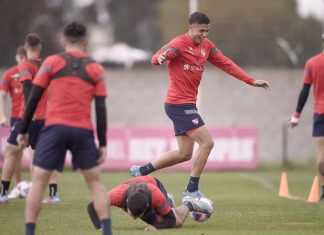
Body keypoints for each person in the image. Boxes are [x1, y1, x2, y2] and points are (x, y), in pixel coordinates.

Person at [130, 11, 271, 202]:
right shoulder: (179, 44)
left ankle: (142, 170)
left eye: (207, 31)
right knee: (208, 142)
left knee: (184, 154)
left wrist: (250, 80)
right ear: (191, 27)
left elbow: (226, 64)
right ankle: (191, 191)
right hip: (178, 104)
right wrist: (160, 58)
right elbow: (157, 56)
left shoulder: (207, 46)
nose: (204, 35)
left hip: (186, 105)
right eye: (201, 31)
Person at [17, 21, 112, 235]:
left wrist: (23, 130)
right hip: (82, 131)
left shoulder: (51, 62)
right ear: (85, 41)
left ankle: (29, 232)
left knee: (38, 181)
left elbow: (33, 97)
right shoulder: (95, 68)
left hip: (54, 129)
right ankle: (107, 231)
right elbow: (101, 108)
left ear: (63, 40)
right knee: (95, 183)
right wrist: (103, 142)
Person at [0, 34, 60, 204]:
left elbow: (27, 86)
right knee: (44, 155)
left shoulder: (25, 65)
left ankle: (3, 193)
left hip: (29, 116)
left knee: (11, 151)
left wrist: (29, 110)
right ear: (40, 47)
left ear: (25, 48)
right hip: (46, 118)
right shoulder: (48, 66)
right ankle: (53, 195)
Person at [87, 175, 208, 231]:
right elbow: (92, 206)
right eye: (132, 214)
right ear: (127, 203)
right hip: (140, 188)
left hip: (155, 186)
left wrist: (155, 227)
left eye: (137, 216)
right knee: (163, 220)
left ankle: (190, 204)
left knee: (177, 223)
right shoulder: (116, 195)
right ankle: (168, 204)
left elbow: (170, 220)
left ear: (146, 208)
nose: (134, 219)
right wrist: (100, 228)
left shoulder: (156, 197)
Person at [288, 33, 324, 201]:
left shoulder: (312, 62)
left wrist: (297, 114)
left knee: (322, 151)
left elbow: (305, 90)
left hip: (320, 113)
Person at [0, 46, 27, 184]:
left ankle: (50, 192)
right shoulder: (9, 74)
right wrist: (2, 115)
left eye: (25, 58)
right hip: (16, 117)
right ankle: (18, 185)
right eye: (21, 57)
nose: (23, 60)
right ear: (16, 57)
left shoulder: (32, 72)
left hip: (32, 117)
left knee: (18, 151)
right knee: (15, 152)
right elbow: (2, 95)